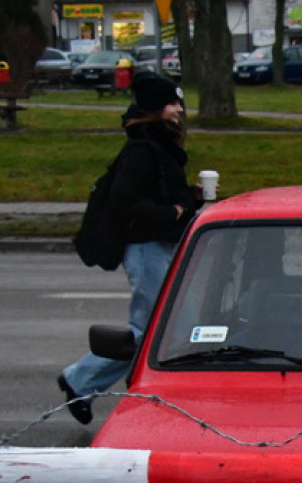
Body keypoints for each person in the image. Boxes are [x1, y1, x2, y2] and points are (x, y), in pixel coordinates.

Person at [58, 70, 204, 425]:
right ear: (155, 107)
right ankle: (80, 380)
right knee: (154, 329)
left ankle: (88, 382)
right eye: (171, 104)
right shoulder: (142, 150)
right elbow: (125, 200)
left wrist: (190, 198)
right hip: (146, 247)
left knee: (164, 326)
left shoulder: (158, 143)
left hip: (159, 244)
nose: (178, 110)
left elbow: (158, 190)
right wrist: (171, 213)